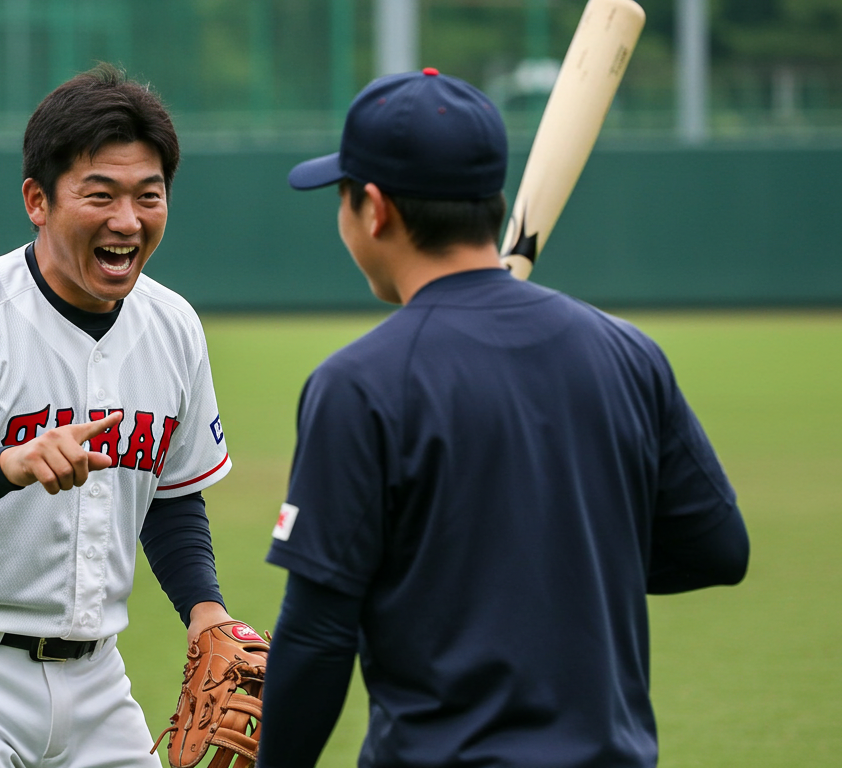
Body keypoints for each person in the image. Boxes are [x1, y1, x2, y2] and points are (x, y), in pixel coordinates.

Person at [256, 69, 750, 768]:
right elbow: (718, 550)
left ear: (373, 208)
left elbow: (316, 636)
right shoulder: (627, 352)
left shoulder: (359, 383)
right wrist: (558, 561)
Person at [0, 64, 244, 768]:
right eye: (100, 195)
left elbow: (171, 496)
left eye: (148, 196)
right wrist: (11, 463)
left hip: (97, 679)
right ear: (38, 200)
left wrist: (204, 609)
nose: (127, 221)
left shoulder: (174, 327)